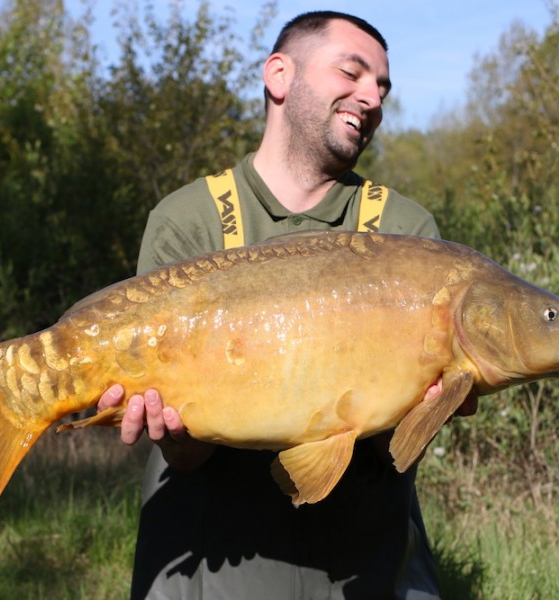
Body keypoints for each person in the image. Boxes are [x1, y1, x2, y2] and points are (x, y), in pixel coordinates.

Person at [98, 11, 477, 599]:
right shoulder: (189, 218)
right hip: (211, 569)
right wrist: (168, 428)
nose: (371, 97)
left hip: (362, 571)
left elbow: (392, 451)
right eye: (352, 72)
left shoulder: (405, 233)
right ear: (279, 75)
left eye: (382, 86)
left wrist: (435, 401)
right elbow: (187, 456)